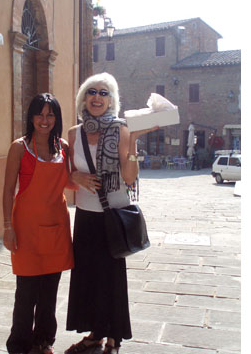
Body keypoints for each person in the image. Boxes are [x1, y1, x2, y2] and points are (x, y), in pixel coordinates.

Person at [65, 72, 158, 354]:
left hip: (112, 213)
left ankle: (113, 338)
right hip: (84, 215)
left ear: (111, 100)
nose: (97, 97)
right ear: (83, 97)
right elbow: (67, 175)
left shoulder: (120, 129)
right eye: (92, 92)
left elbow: (129, 178)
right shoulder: (73, 133)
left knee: (111, 278)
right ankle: (95, 332)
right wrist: (76, 177)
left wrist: (134, 143)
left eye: (104, 93)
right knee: (88, 277)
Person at [3, 93, 75, 354]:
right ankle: (19, 346)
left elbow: (71, 181)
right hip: (27, 231)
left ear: (57, 118)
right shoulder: (19, 147)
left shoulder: (64, 148)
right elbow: (8, 189)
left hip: (56, 229)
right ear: (31, 117)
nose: (44, 120)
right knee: (25, 294)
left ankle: (43, 342)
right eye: (39, 114)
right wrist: (7, 227)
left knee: (49, 294)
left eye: (50, 115)